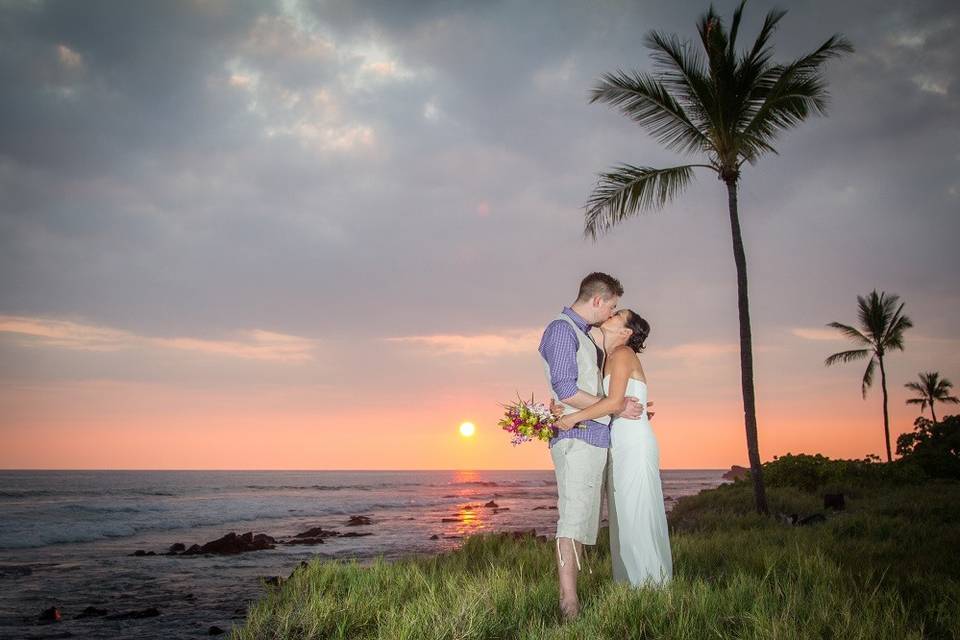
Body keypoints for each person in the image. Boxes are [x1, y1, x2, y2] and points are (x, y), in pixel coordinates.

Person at [538, 272, 645, 620]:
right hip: (577, 439)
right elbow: (567, 390)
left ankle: (574, 596)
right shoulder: (562, 330)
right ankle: (569, 605)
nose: (611, 312)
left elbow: (570, 394)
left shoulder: (586, 338)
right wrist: (613, 404)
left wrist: (615, 405)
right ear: (598, 300)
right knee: (572, 522)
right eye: (612, 305)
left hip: (591, 437)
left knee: (583, 522)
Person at [556, 309, 672, 587]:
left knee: (635, 514)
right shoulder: (606, 356)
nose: (610, 314)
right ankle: (635, 586)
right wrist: (564, 406)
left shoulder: (621, 354)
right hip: (619, 440)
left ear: (626, 332)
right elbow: (606, 400)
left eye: (617, 314)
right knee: (624, 516)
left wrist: (572, 418)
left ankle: (651, 587)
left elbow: (613, 402)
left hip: (632, 442)